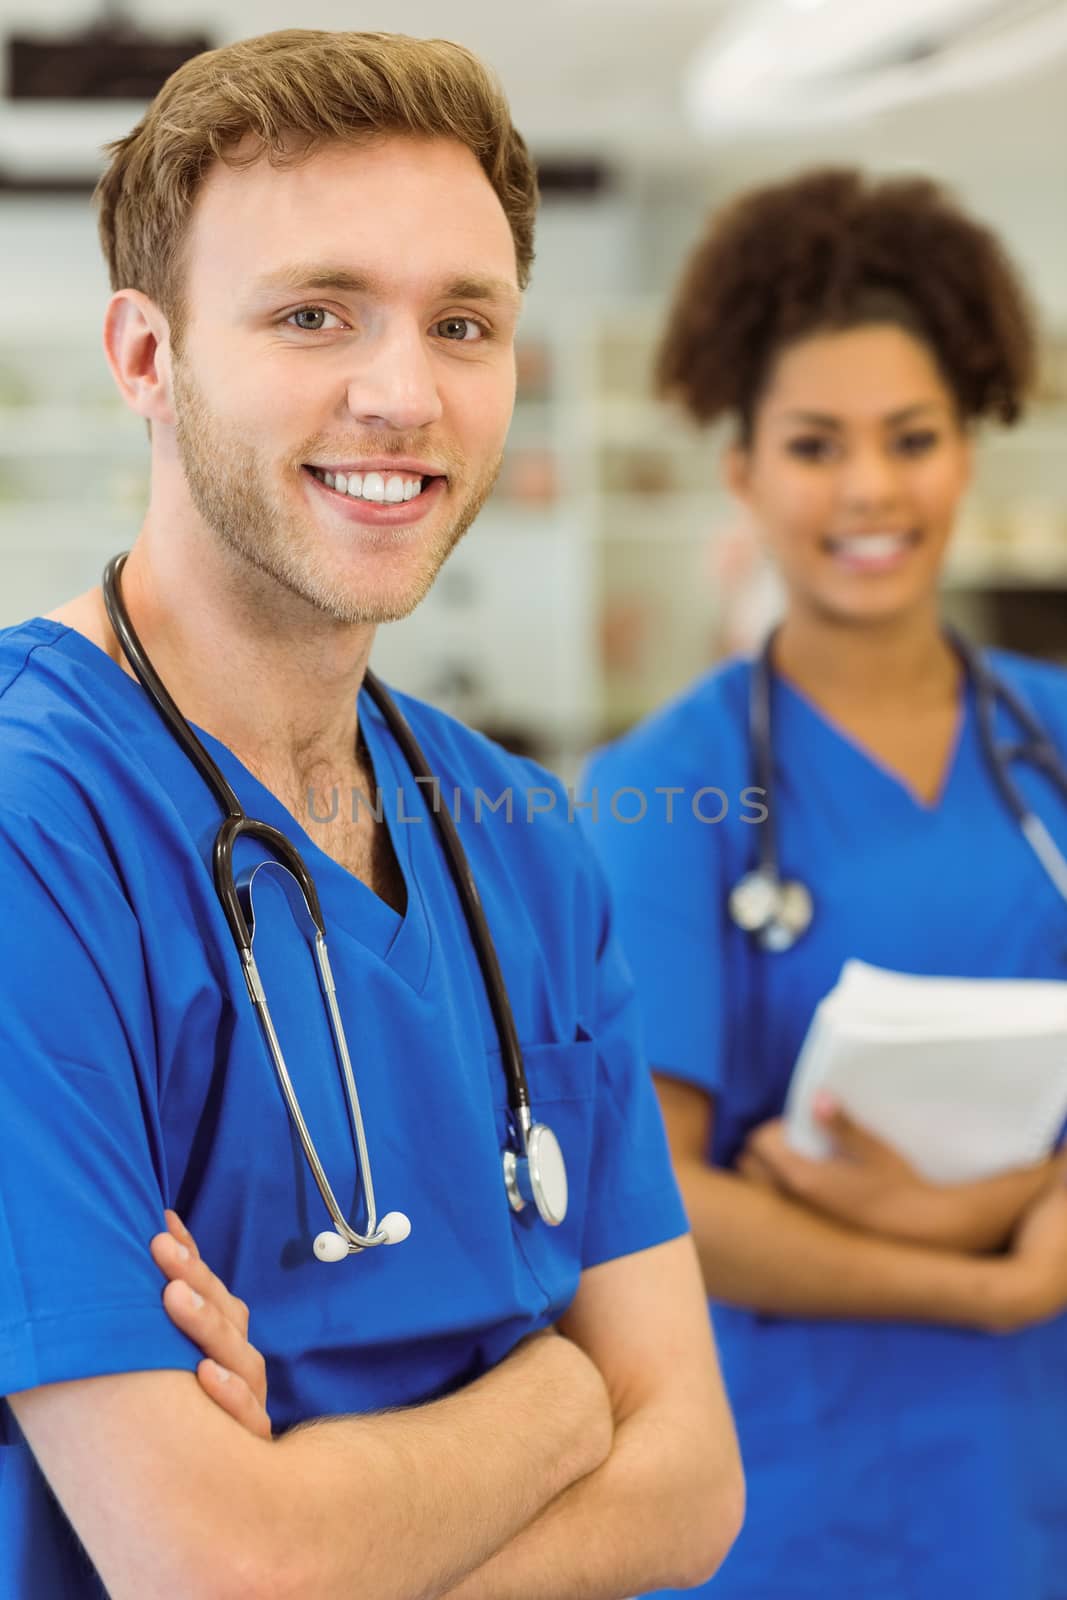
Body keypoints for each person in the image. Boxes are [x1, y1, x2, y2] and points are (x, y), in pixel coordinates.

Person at [0, 29, 744, 1599]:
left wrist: (336, 1524)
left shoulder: (521, 834)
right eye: (313, 313)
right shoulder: (34, 829)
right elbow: (216, 1568)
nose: (403, 393)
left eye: (462, 323)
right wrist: (562, 1395)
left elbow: (694, 1492)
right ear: (146, 357)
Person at [580, 167, 1067, 1599]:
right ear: (742, 469)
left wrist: (971, 1221)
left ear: (968, 449)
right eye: (814, 444)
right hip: (800, 1495)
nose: (870, 489)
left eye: (911, 437)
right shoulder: (661, 793)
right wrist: (993, 1278)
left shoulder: (1056, 742)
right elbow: (652, 1197)